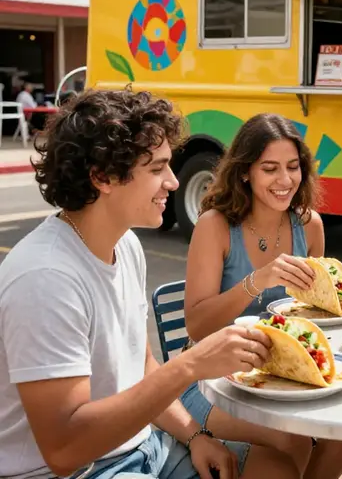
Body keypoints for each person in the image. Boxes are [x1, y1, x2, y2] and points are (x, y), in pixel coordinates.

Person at [0, 89, 299, 479]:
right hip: (75, 470)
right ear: (102, 177)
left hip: (142, 446)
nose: (174, 182)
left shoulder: (125, 244)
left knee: (275, 467)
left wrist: (195, 436)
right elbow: (64, 449)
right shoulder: (45, 277)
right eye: (157, 169)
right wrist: (191, 364)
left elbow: (139, 367)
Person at [182, 113, 342, 479]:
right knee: (292, 439)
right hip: (211, 379)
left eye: (293, 167)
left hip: (279, 376)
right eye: (270, 169)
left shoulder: (309, 225)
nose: (285, 180)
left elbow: (316, 313)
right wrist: (255, 281)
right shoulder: (215, 226)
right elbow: (197, 325)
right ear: (245, 172)